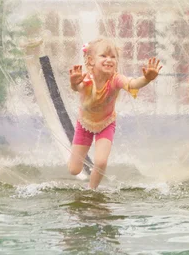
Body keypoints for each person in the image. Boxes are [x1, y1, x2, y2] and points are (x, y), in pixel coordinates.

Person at [68, 38, 162, 189]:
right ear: (91, 60)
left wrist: (147, 79)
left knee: (101, 161)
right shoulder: (87, 78)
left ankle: (91, 191)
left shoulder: (116, 79)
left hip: (106, 123)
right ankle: (84, 177)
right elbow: (77, 88)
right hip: (84, 124)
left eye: (113, 57)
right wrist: (73, 82)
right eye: (104, 56)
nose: (109, 60)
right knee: (74, 169)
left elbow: (132, 84)